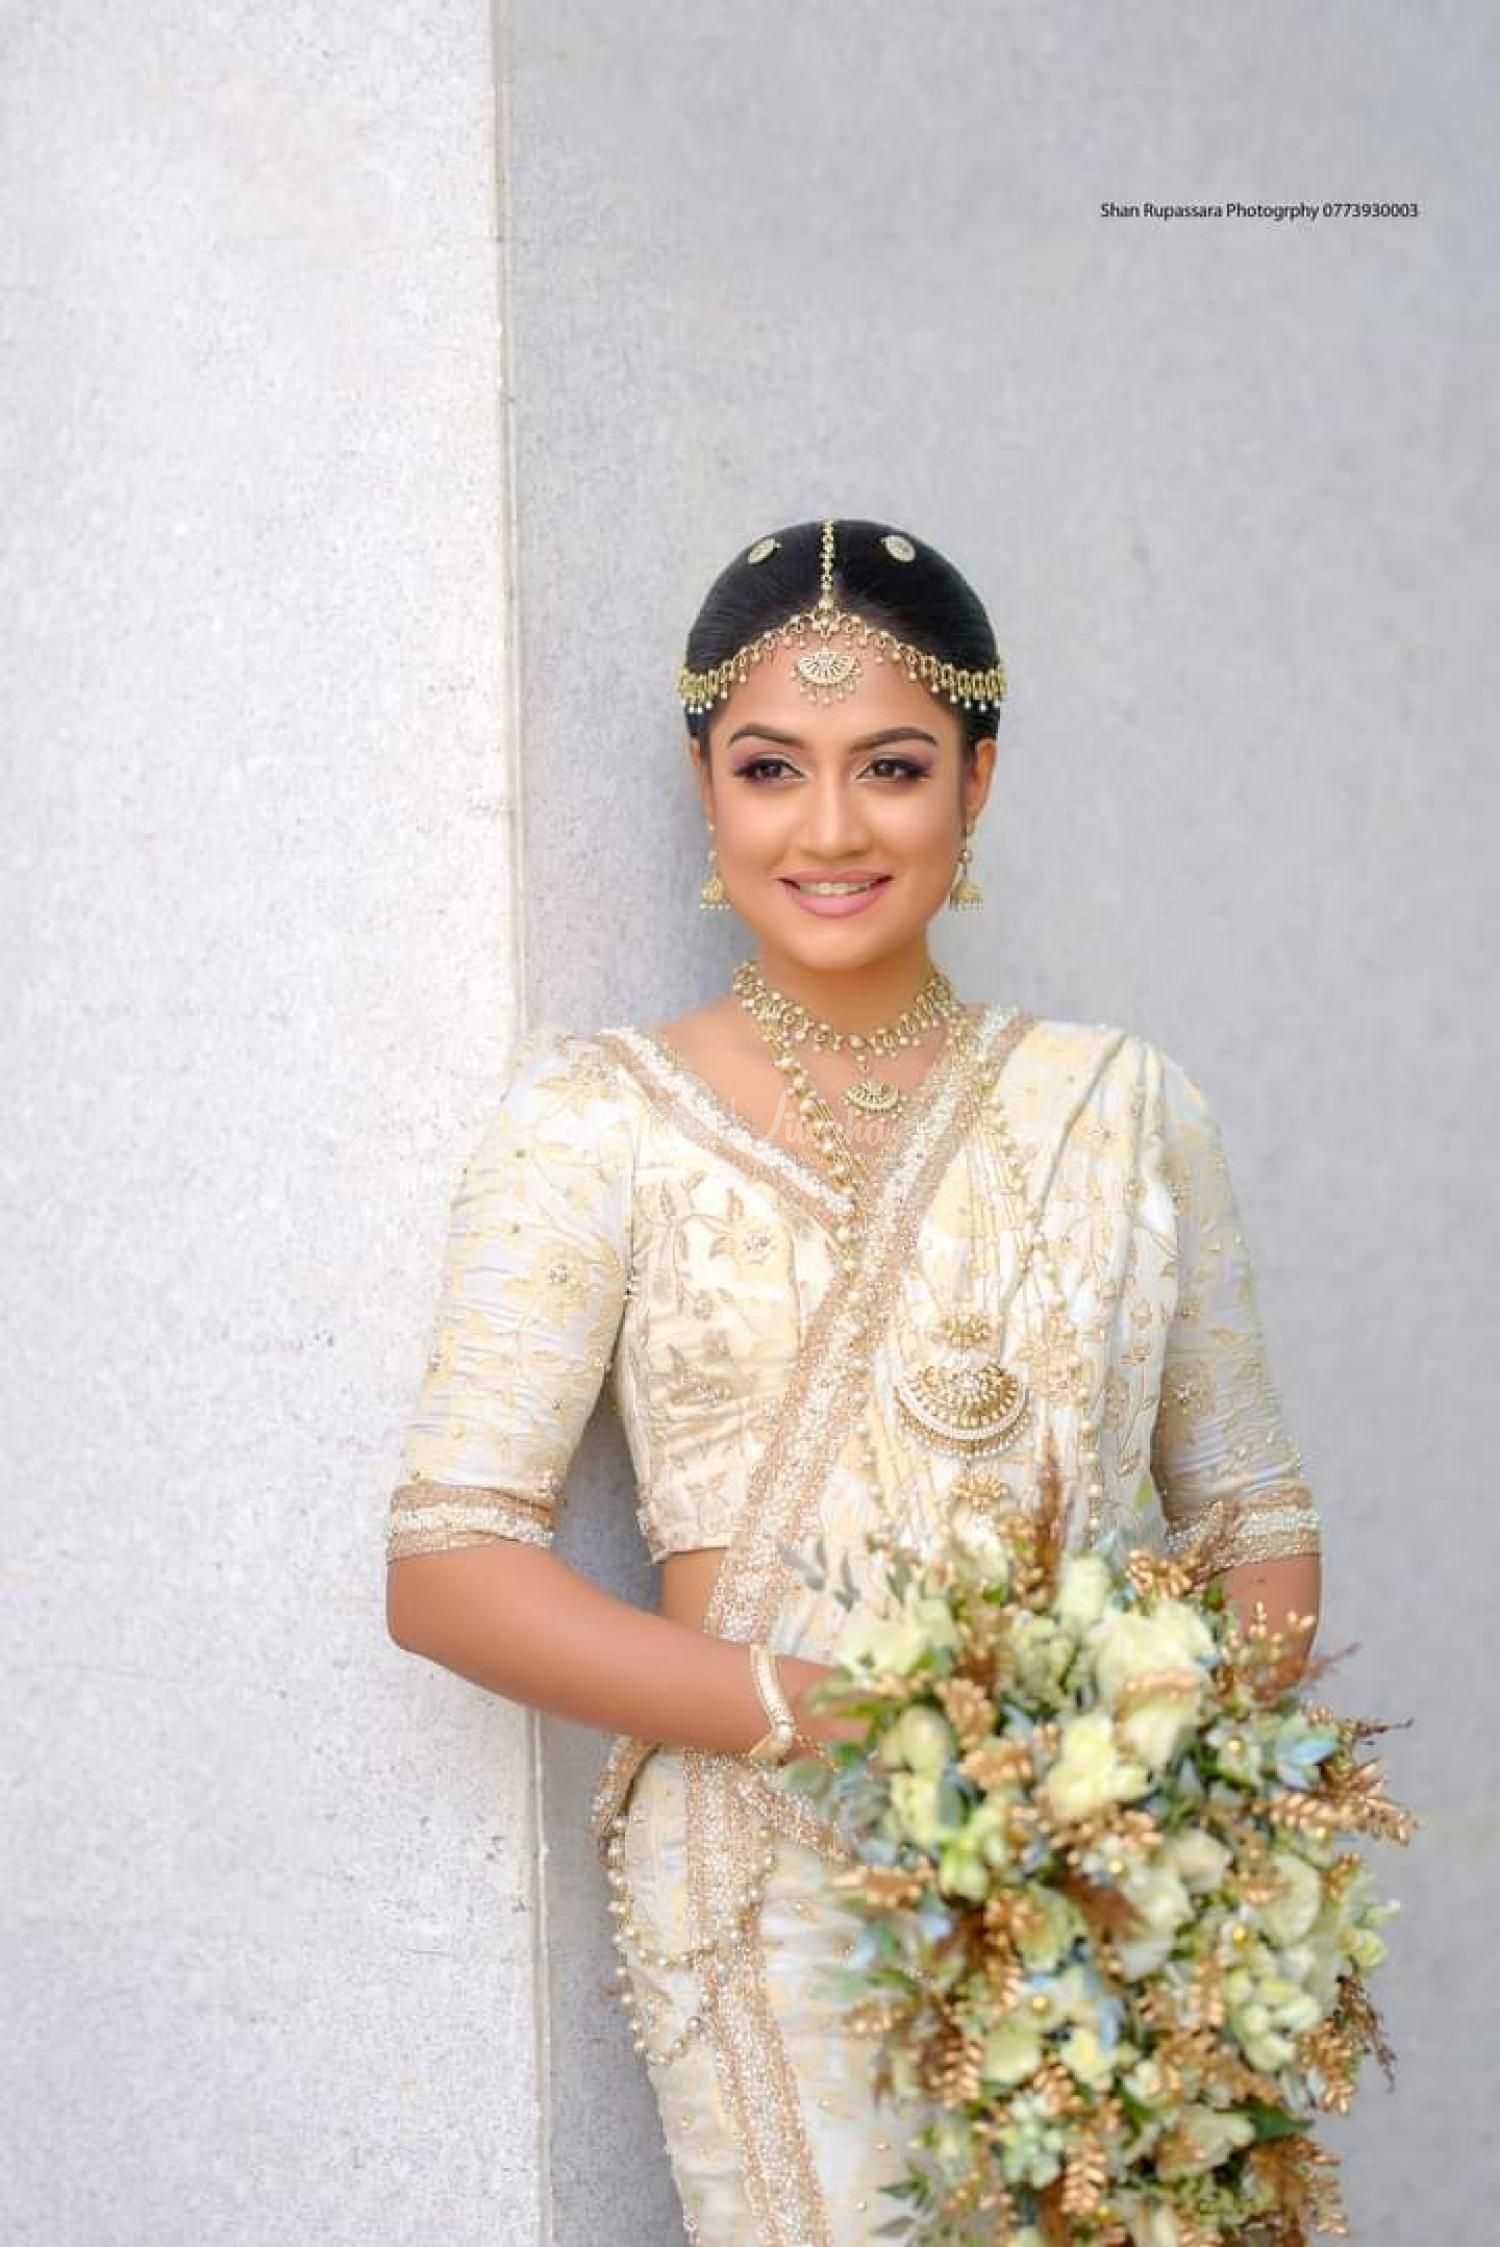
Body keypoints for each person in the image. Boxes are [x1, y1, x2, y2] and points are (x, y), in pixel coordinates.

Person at [383, 518, 1324, 2246]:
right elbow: (448, 1568)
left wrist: (1156, 1794)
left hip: (1091, 1859)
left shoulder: (1123, 1108)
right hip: (768, 1887)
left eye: (891, 766)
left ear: (978, 778)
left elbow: (1252, 1515)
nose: (828, 829)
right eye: (770, 769)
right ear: (704, 787)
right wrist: (855, 1721)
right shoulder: (593, 1122)